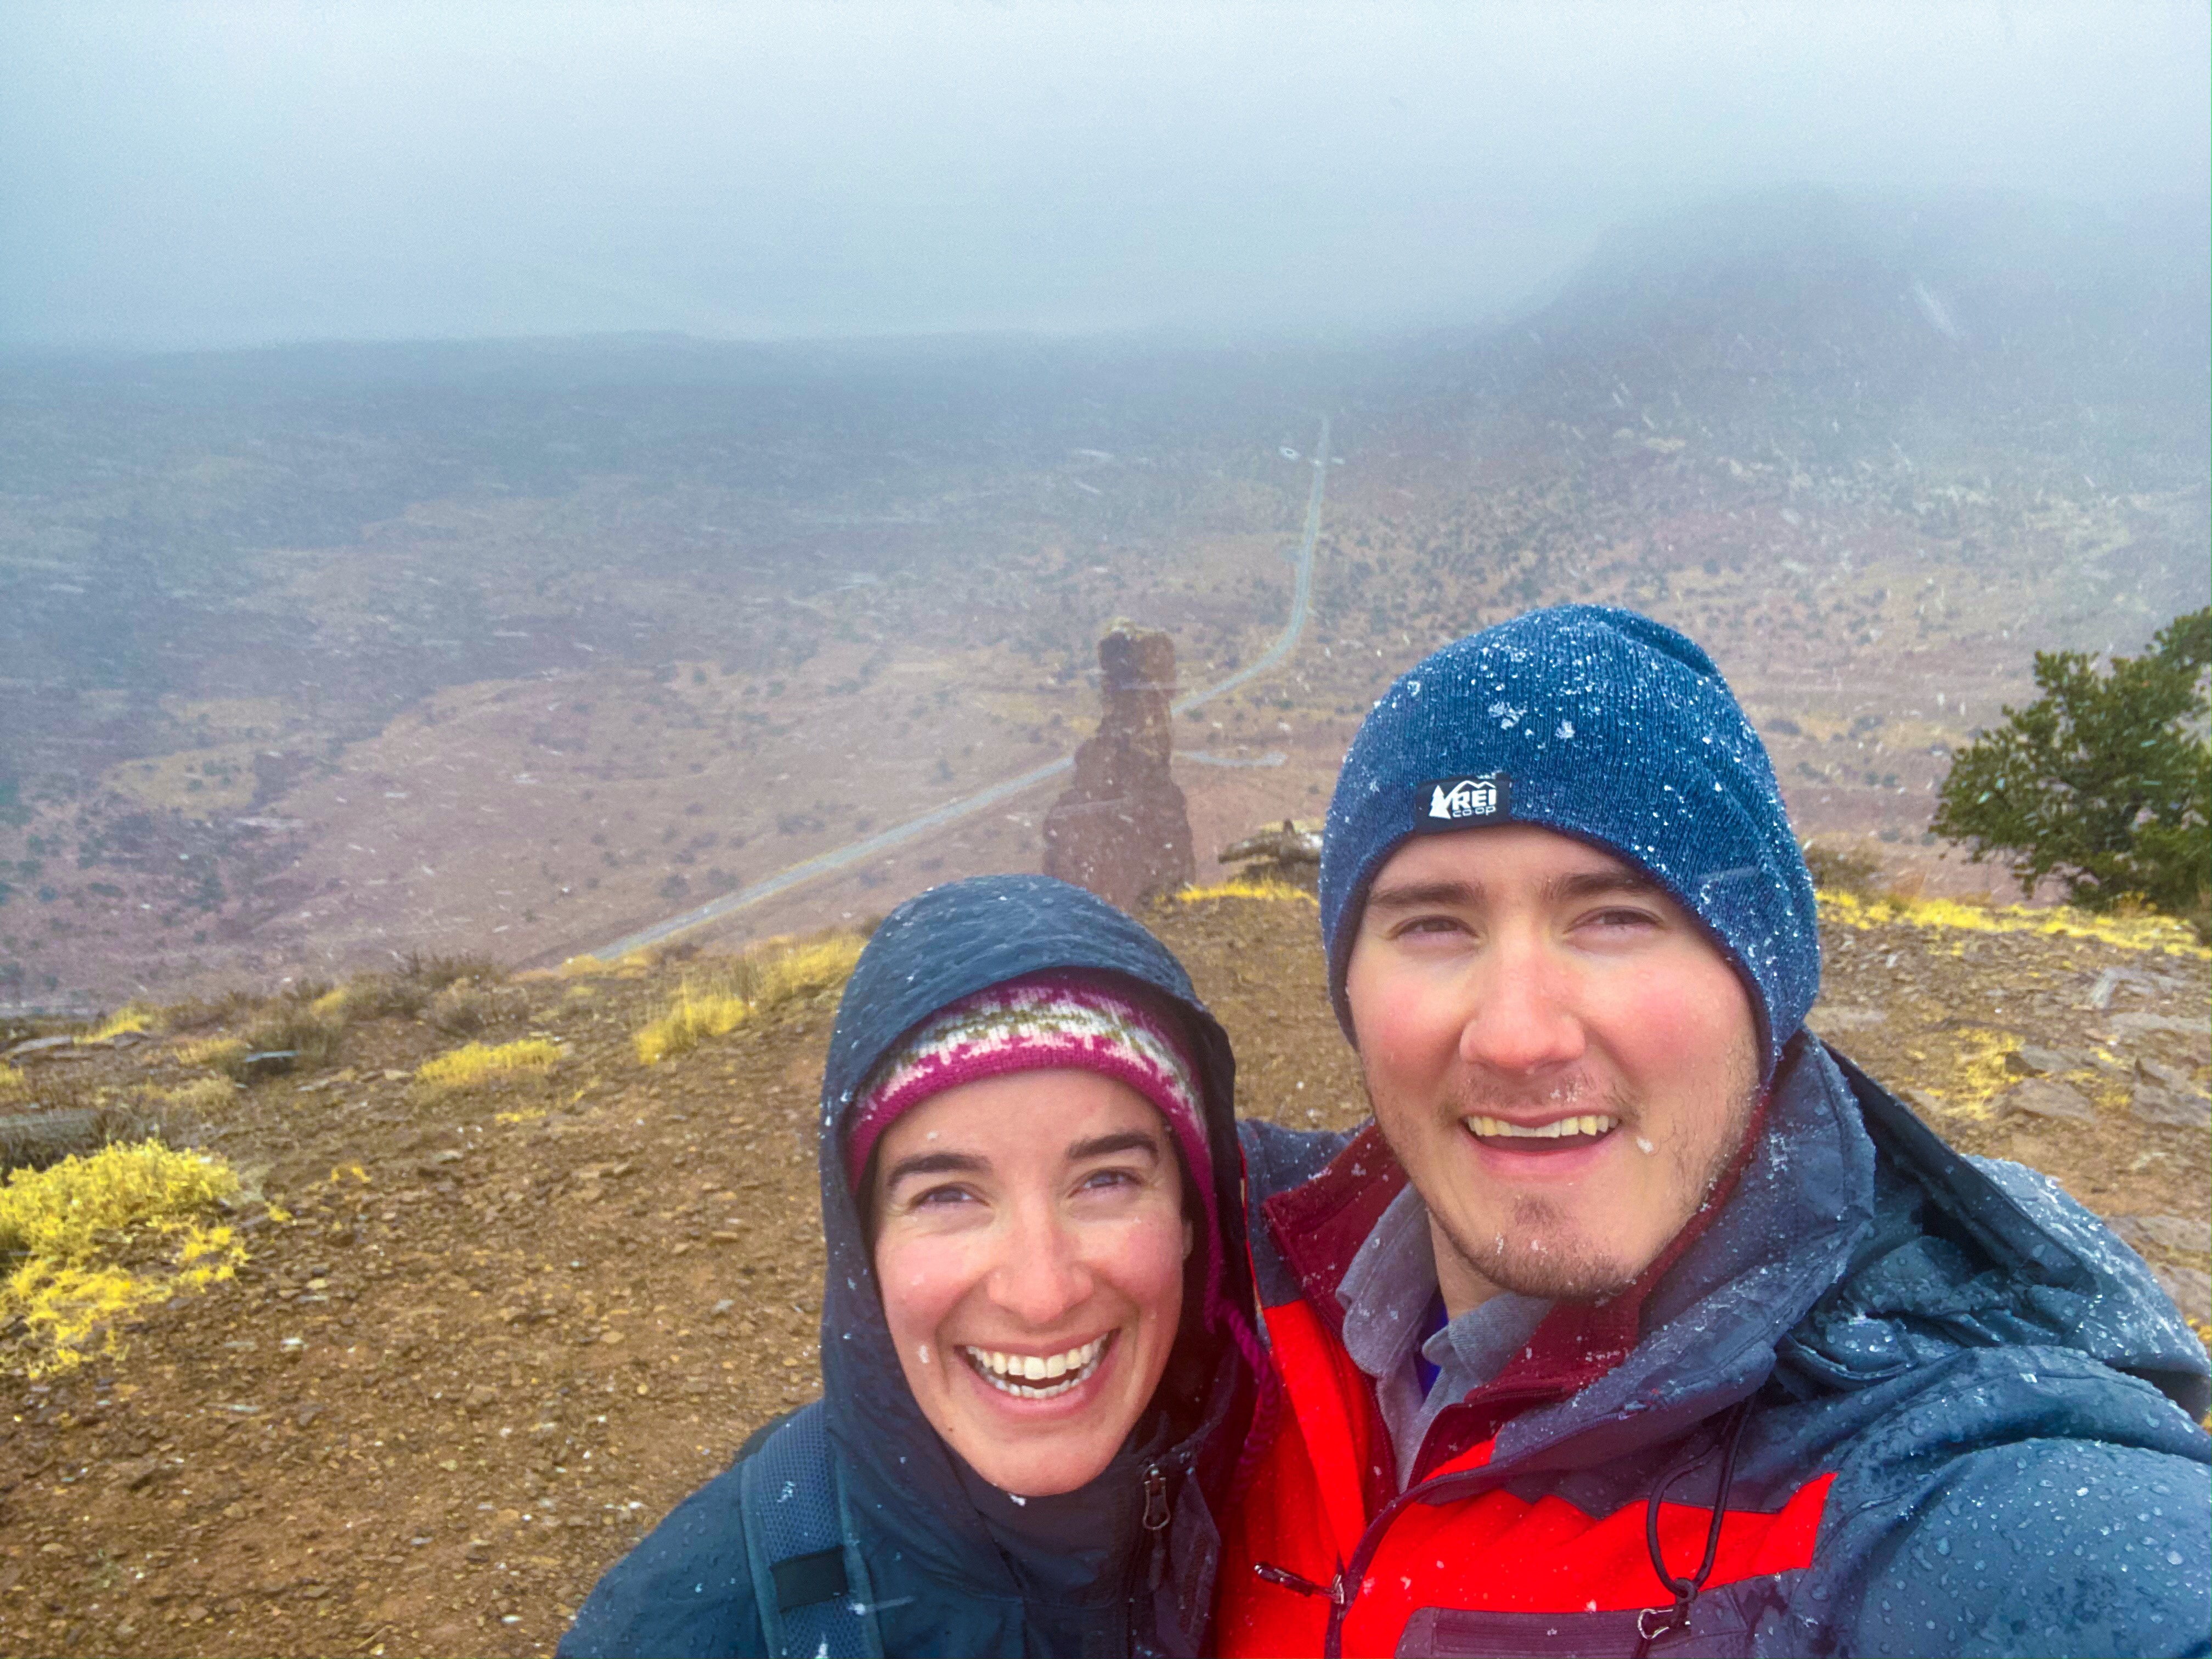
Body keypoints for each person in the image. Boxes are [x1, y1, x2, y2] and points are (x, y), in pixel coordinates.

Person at [1218, 605, 2211, 1658]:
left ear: (1761, 989)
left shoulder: (1936, 1482)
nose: (1516, 1036)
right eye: (1432, 923)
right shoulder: (1219, 1287)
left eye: (1614, 917)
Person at [560, 873, 1266, 1658]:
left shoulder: (1315, 1491)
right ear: (864, 1250)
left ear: (1192, 1218)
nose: (1041, 1295)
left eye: (1106, 1181)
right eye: (948, 1195)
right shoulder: (679, 1629)